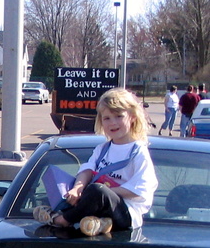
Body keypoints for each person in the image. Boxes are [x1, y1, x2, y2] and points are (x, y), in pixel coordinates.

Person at [33, 87, 158, 237]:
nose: (113, 123)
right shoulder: (102, 149)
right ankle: (99, 223)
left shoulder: (138, 152)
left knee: (97, 191)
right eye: (107, 118)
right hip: (97, 206)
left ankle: (62, 220)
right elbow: (87, 170)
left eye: (118, 116)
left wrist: (99, 194)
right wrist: (78, 189)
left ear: (132, 117)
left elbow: (140, 189)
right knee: (83, 192)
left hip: (126, 213)